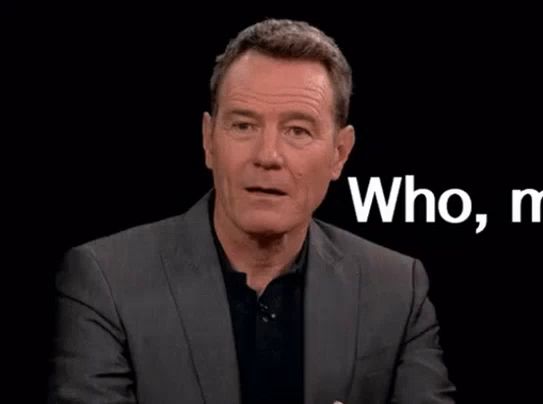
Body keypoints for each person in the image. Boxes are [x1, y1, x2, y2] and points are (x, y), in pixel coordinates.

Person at [48, 19, 455, 404]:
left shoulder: (397, 291)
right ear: (209, 140)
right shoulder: (106, 282)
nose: (268, 156)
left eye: (297, 130)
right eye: (244, 126)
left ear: (339, 153)